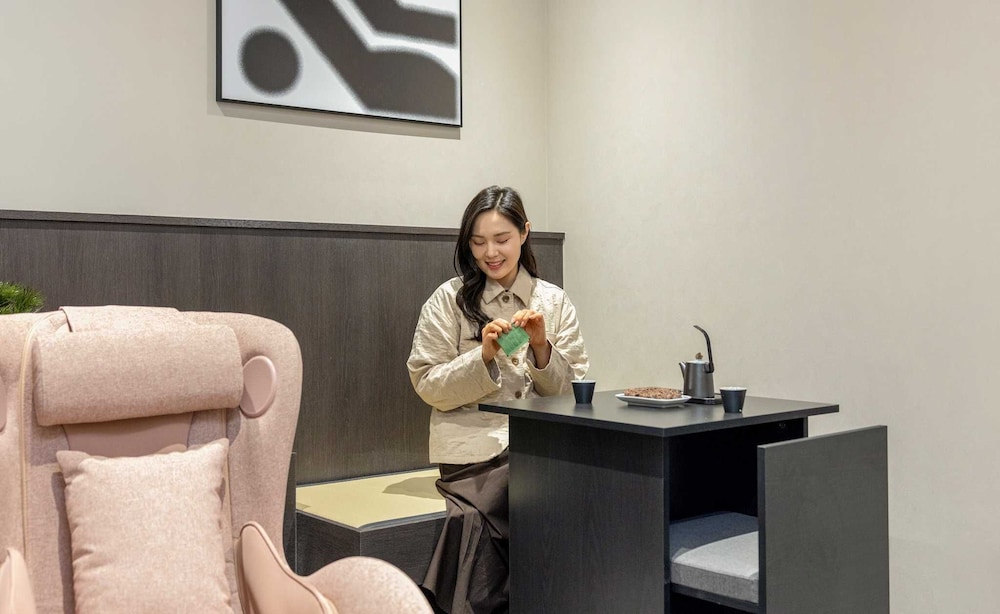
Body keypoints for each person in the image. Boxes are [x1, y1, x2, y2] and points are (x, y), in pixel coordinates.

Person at [407, 185, 589, 614]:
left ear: (524, 233)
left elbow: (573, 392)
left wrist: (542, 348)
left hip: (536, 447)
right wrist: (483, 357)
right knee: (537, 489)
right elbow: (427, 382)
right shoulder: (448, 301)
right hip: (471, 454)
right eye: (478, 242)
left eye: (502, 239)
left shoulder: (553, 303)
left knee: (554, 484)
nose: (490, 253)